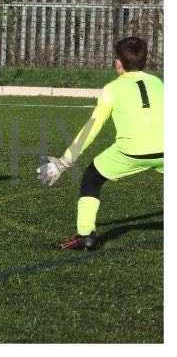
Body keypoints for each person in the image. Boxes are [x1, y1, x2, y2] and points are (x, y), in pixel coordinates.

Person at [37, 36, 163, 250]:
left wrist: (64, 162)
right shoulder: (158, 83)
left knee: (92, 178)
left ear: (118, 63)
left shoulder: (112, 88)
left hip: (130, 153)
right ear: (145, 61)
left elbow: (92, 128)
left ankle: (86, 236)